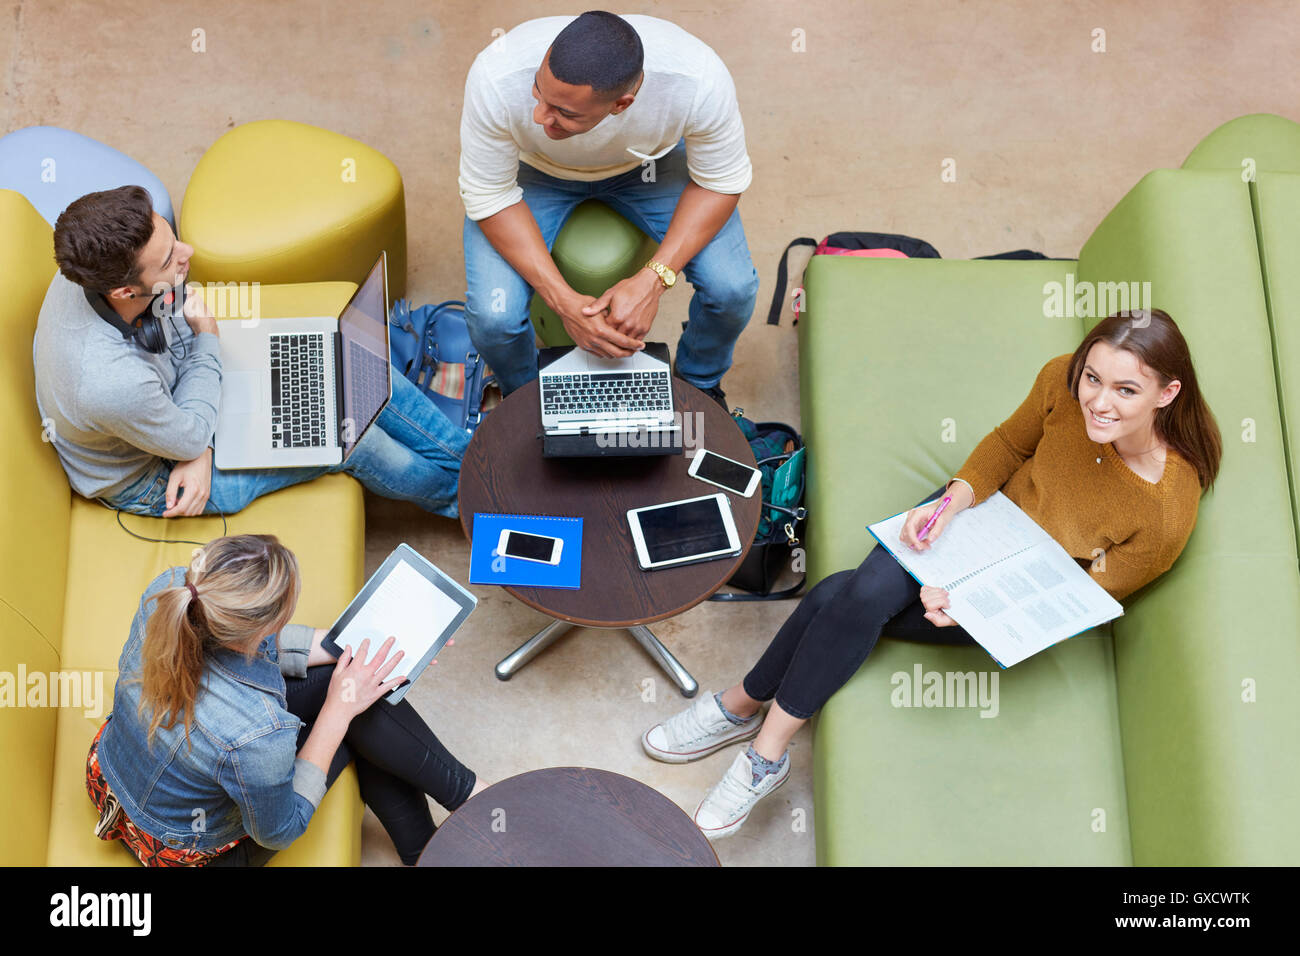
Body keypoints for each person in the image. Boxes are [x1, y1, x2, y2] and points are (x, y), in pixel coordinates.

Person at [641, 310, 1223, 840]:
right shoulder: (1060, 381)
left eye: (1126, 390)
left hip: (1014, 590)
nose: (1098, 401)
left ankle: (745, 718)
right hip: (976, 518)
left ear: (1167, 393)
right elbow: (1006, 447)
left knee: (837, 595)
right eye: (1092, 378)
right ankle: (761, 742)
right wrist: (951, 502)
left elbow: (1082, 597)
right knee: (859, 592)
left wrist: (970, 604)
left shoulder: (1167, 507)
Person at [34, 185, 469, 519]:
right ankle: (470, 504)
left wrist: (196, 441)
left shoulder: (95, 262)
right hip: (157, 475)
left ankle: (476, 466)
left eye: (174, 239)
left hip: (174, 414)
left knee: (358, 366)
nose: (188, 255)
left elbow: (175, 316)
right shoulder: (107, 380)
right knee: (356, 439)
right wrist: (206, 338)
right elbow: (185, 433)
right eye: (169, 260)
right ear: (125, 290)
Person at [86, 533, 485, 866]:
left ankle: (456, 812)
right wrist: (337, 711)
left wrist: (371, 645)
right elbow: (280, 829)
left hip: (110, 775)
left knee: (354, 687)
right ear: (261, 628)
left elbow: (257, 645)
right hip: (179, 848)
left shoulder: (174, 592)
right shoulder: (257, 735)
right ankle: (441, 833)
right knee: (351, 718)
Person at [458, 10, 760, 403]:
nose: (538, 116)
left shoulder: (698, 79)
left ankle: (698, 386)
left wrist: (655, 279)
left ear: (622, 104)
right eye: (538, 92)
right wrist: (563, 302)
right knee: (493, 320)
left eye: (564, 113)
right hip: (536, 171)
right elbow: (488, 193)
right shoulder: (496, 74)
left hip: (650, 166)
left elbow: (720, 183)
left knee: (733, 289)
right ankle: (526, 399)